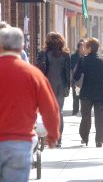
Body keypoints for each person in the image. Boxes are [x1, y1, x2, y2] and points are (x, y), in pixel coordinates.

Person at [0, 27, 60, 182]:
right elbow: (50, 108)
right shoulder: (33, 74)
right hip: (20, 142)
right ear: (21, 48)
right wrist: (53, 135)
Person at [74, 38, 103, 147]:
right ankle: (99, 140)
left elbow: (76, 75)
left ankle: (85, 138)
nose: (84, 49)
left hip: (86, 92)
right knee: (100, 117)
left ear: (90, 48)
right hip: (100, 92)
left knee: (86, 116)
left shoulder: (83, 60)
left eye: (85, 47)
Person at [36, 32, 70, 148]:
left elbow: (39, 70)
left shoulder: (43, 53)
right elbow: (67, 73)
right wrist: (68, 87)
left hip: (47, 86)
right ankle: (58, 139)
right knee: (59, 112)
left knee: (45, 112)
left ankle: (47, 137)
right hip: (61, 86)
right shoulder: (65, 55)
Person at [71, 40, 85, 115]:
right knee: (76, 96)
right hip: (77, 80)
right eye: (82, 47)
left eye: (84, 47)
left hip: (84, 80)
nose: (83, 49)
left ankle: (82, 111)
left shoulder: (86, 57)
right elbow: (72, 68)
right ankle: (75, 111)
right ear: (78, 48)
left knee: (83, 97)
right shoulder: (73, 57)